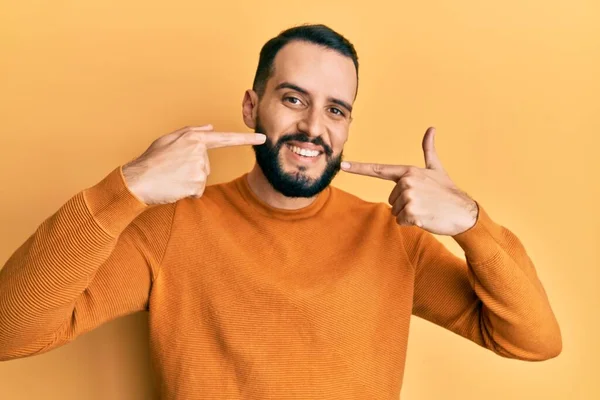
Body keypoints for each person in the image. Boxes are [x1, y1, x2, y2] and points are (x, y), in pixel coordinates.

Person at [0, 24, 561, 399]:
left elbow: (532, 340)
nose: (314, 128)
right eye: (293, 99)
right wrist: (126, 188)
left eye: (335, 109)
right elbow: (10, 333)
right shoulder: (172, 227)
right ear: (253, 107)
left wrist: (471, 223)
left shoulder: (391, 239)